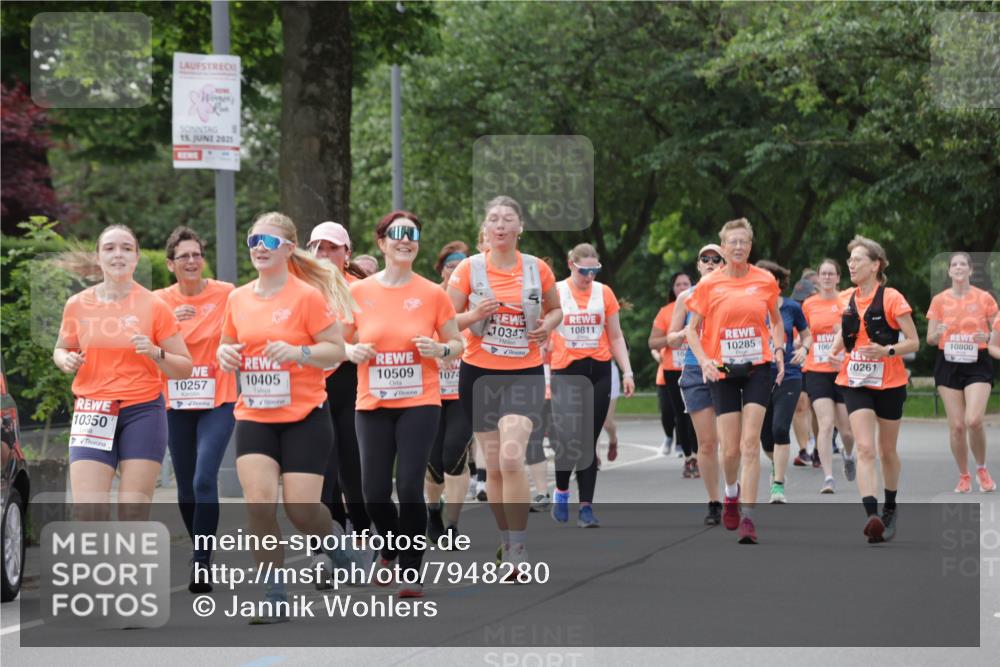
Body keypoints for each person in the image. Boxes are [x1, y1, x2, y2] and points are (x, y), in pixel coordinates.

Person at [217, 212, 355, 623]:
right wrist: (225, 356)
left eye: (270, 241)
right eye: (254, 240)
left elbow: (336, 348)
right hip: (256, 414)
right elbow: (228, 344)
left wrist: (301, 354)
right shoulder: (238, 298)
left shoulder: (306, 297)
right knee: (259, 504)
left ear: (289, 249)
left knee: (301, 511)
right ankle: (274, 595)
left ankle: (337, 545)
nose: (260, 247)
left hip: (305, 416)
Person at [342, 212, 461, 597]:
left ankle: (410, 570)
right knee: (373, 492)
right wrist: (351, 350)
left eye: (412, 235)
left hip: (420, 401)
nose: (405, 240)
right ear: (381, 243)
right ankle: (390, 546)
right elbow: (336, 342)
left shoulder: (433, 293)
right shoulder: (358, 293)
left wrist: (440, 349)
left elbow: (456, 343)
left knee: (409, 486)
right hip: (372, 403)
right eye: (397, 235)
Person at [447, 195, 561, 574]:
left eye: (507, 219)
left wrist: (549, 324)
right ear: (486, 227)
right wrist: (474, 314)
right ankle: (505, 538)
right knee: (493, 467)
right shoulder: (468, 269)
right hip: (479, 374)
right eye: (493, 219)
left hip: (524, 372)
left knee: (512, 457)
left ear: (519, 228)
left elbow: (555, 308)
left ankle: (518, 550)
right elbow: (447, 321)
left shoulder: (537, 269)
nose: (499, 225)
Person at [54, 225, 192, 522]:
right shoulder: (77, 304)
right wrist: (65, 360)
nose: (118, 254)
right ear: (98, 256)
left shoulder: (155, 305)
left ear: (137, 257)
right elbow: (61, 348)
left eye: (127, 248)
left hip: (142, 412)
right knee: (89, 512)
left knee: (132, 512)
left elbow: (184, 367)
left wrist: (156, 353)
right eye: (110, 248)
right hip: (92, 410)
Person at [686, 219, 784, 544]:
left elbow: (776, 321)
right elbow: (691, 330)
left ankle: (749, 518)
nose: (739, 247)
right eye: (733, 242)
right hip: (722, 371)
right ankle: (730, 493)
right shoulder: (709, 285)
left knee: (750, 443)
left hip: (759, 367)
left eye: (744, 242)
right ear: (723, 247)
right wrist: (704, 361)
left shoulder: (765, 280)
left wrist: (780, 349)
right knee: (729, 450)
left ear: (750, 246)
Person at [155, 226, 236, 593]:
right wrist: (174, 323)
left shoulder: (226, 294)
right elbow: (141, 344)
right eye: (184, 256)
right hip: (174, 401)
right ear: (171, 264)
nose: (192, 261)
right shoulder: (158, 303)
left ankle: (202, 560)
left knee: (205, 477)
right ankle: (199, 549)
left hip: (217, 398)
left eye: (197, 254)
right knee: (186, 485)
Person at [831, 235, 919, 544]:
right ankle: (872, 514)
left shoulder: (892, 297)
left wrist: (888, 351)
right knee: (865, 447)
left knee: (886, 451)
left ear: (875, 264)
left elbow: (914, 341)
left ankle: (890, 507)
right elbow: (847, 330)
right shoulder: (844, 298)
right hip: (855, 380)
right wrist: (834, 348)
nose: (851, 264)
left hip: (890, 380)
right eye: (850, 260)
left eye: (857, 259)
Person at [549, 243, 635, 527]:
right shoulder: (557, 291)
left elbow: (616, 335)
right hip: (566, 371)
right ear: (571, 265)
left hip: (598, 370)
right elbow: (540, 329)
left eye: (594, 270)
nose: (590, 276)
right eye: (584, 270)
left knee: (587, 440)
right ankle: (561, 490)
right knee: (567, 438)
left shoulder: (604, 292)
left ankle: (586, 507)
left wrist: (627, 372)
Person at [307, 221, 371, 548]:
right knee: (322, 470)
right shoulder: (299, 289)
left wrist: (347, 347)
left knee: (352, 469)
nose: (324, 253)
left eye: (332, 247)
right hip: (310, 386)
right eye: (318, 247)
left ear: (346, 253)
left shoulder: (360, 289)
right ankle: (328, 544)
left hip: (349, 384)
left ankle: (361, 532)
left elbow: (372, 333)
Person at [927, 252, 998, 493]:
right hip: (948, 362)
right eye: (954, 264)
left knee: (974, 420)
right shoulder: (939, 300)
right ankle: (964, 475)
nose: (958, 268)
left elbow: (996, 335)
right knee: (957, 426)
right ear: (948, 272)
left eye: (963, 264)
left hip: (977, 361)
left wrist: (987, 336)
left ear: (970, 270)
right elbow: (929, 338)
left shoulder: (985, 298)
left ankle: (981, 468)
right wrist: (938, 334)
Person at [666, 243, 726, 525]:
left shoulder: (731, 293)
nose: (711, 262)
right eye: (706, 258)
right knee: (707, 443)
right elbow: (670, 337)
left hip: (726, 368)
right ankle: (714, 501)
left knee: (730, 443)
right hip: (694, 369)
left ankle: (732, 492)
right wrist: (681, 335)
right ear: (699, 265)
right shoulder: (686, 298)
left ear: (724, 264)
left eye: (717, 258)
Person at [425, 241, 475, 541]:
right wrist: (435, 354)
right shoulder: (428, 297)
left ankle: (453, 525)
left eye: (462, 266)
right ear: (441, 269)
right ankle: (432, 511)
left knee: (454, 452)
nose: (455, 271)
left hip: (463, 391)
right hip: (429, 391)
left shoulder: (476, 304)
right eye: (450, 266)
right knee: (433, 460)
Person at [756, 261, 812, 502]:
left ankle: (778, 485)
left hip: (789, 373)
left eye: (771, 277)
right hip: (758, 375)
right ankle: (775, 465)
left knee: (780, 428)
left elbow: (807, 335)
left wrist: (805, 349)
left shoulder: (791, 307)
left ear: (778, 281)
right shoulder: (750, 307)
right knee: (765, 437)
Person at [802, 259, 857, 489]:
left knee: (846, 430)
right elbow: (805, 333)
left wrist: (842, 334)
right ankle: (828, 477)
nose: (826, 277)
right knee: (825, 424)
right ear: (818, 277)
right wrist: (801, 345)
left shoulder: (846, 302)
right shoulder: (809, 304)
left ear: (837, 277)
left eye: (830, 274)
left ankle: (848, 454)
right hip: (817, 369)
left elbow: (857, 336)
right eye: (822, 274)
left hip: (842, 370)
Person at [650, 271, 697, 477]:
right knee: (680, 415)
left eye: (686, 283)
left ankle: (699, 454)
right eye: (678, 284)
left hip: (696, 366)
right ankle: (689, 458)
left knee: (696, 414)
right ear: (673, 288)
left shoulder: (701, 302)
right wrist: (672, 338)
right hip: (672, 369)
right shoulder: (667, 311)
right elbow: (653, 342)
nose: (682, 287)